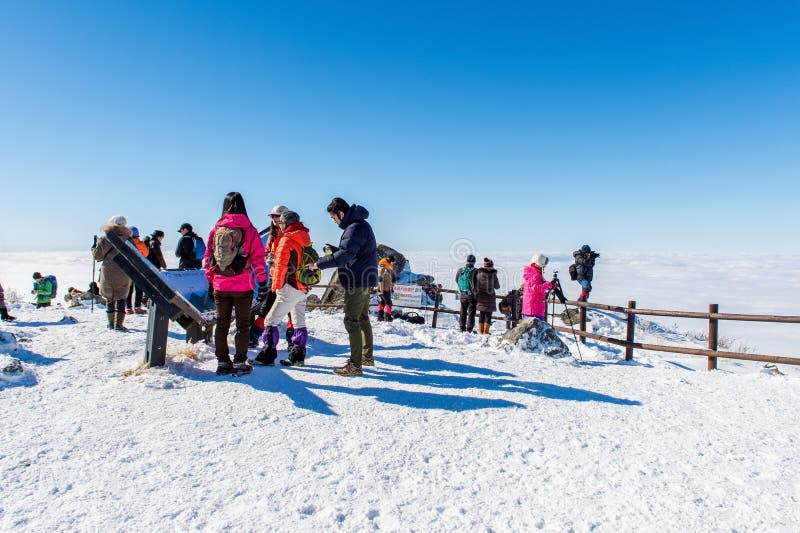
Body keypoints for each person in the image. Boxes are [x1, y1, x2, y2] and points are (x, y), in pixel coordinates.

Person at [309, 197, 378, 377]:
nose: (334, 222)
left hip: (356, 280)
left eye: (333, 218)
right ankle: (366, 356)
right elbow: (351, 251)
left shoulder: (354, 228)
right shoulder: (360, 225)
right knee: (362, 318)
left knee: (351, 321)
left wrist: (319, 264)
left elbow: (344, 256)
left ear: (341, 213)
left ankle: (355, 365)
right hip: (365, 278)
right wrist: (335, 249)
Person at [204, 192, 268, 375]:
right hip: (243, 286)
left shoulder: (216, 229)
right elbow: (258, 260)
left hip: (220, 284)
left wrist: (211, 280)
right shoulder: (250, 230)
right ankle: (240, 362)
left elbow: (208, 258)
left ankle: (222, 362)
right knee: (242, 325)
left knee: (221, 324)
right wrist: (262, 283)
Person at [254, 210, 312, 367]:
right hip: (302, 286)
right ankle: (298, 356)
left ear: (286, 223)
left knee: (271, 320)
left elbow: (280, 267)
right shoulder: (305, 238)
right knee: (299, 322)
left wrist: (276, 287)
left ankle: (268, 355)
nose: (280, 225)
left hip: (289, 286)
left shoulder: (286, 240)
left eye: (281, 222)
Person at [92, 215, 133, 330]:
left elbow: (98, 256)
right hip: (124, 271)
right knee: (121, 297)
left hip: (108, 271)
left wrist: (94, 248)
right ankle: (119, 324)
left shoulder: (105, 238)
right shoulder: (128, 238)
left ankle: (110, 323)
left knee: (110, 297)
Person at [522, 253, 553, 321]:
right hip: (535, 309)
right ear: (539, 264)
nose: (544, 268)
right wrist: (550, 284)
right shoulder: (536, 274)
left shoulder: (530, 273)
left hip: (529, 308)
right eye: (543, 266)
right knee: (537, 330)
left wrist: (546, 284)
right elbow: (535, 288)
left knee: (528, 330)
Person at [125, 227, 149, 314]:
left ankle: (128, 308)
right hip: (139, 268)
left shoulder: (125, 242)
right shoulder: (140, 243)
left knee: (129, 288)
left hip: (128, 267)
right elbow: (146, 254)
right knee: (139, 288)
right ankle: (137, 307)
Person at [474, 258, 500, 335]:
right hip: (490, 297)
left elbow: (476, 285)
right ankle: (486, 331)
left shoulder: (479, 274)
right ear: (491, 265)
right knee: (488, 314)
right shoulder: (493, 275)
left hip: (481, 297)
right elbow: (497, 286)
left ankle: (481, 331)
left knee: (481, 314)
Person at [455, 254, 478, 332]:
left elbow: (456, 280)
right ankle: (469, 329)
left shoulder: (461, 270)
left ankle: (462, 328)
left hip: (462, 294)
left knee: (463, 311)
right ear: (474, 262)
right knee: (471, 312)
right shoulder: (475, 271)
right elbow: (478, 283)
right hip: (471, 295)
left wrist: (461, 289)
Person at [376, 255, 395, 322]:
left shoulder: (381, 267)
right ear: (389, 261)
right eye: (392, 262)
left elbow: (381, 280)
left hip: (381, 288)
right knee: (388, 302)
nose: (392, 264)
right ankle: (388, 317)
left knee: (382, 302)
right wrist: (382, 290)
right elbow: (382, 280)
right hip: (385, 288)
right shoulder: (385, 269)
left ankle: (380, 316)